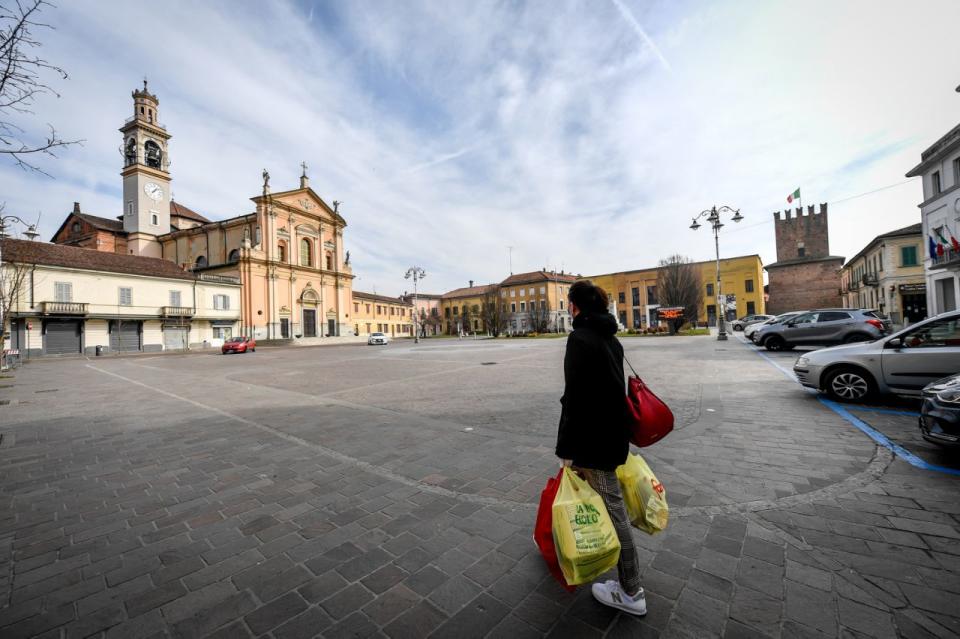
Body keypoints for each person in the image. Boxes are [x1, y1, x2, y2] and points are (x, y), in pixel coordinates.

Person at [556, 279, 646, 616]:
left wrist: (567, 449)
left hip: (596, 440)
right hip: (612, 433)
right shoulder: (611, 338)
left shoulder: (579, 339)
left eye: (569, 302)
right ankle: (623, 579)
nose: (568, 307)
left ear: (576, 306)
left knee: (614, 509)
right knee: (610, 504)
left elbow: (575, 399)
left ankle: (631, 590)